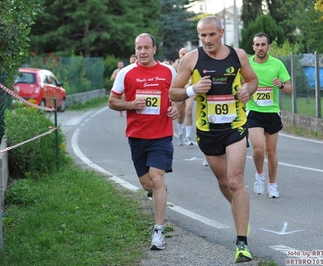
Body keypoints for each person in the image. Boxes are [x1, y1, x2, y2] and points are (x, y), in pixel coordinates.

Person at [169, 16, 258, 263]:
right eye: (203, 36)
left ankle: (242, 243)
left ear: (221, 33)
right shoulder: (192, 59)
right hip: (207, 131)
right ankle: (242, 212)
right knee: (223, 182)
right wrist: (192, 90)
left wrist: (247, 91)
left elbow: (252, 80)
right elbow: (173, 91)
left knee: (235, 181)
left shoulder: (238, 55)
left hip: (235, 126)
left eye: (212, 35)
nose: (207, 40)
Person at [108, 33, 180, 251]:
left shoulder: (169, 71)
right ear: (135, 50)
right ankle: (159, 192)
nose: (142, 52)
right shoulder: (126, 73)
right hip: (137, 136)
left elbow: (177, 95)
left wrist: (176, 108)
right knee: (147, 184)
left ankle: (158, 231)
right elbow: (112, 102)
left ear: (154, 49)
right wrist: (131, 105)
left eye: (146, 47)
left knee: (157, 179)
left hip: (161, 135)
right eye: (139, 48)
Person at [247, 32, 293, 198]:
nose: (260, 48)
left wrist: (280, 85)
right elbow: (237, 84)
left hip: (272, 112)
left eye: (263, 45)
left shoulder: (277, 64)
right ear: (253, 47)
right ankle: (259, 175)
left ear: (268, 46)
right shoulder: (248, 64)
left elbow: (289, 89)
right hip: (253, 111)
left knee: (271, 152)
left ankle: (272, 184)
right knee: (259, 150)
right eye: (257, 45)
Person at [172, 48, 195, 146]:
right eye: (182, 54)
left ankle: (188, 137)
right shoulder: (176, 64)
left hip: (189, 89)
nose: (184, 55)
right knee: (180, 114)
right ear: (179, 54)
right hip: (180, 90)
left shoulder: (192, 62)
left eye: (186, 53)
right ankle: (181, 133)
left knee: (189, 111)